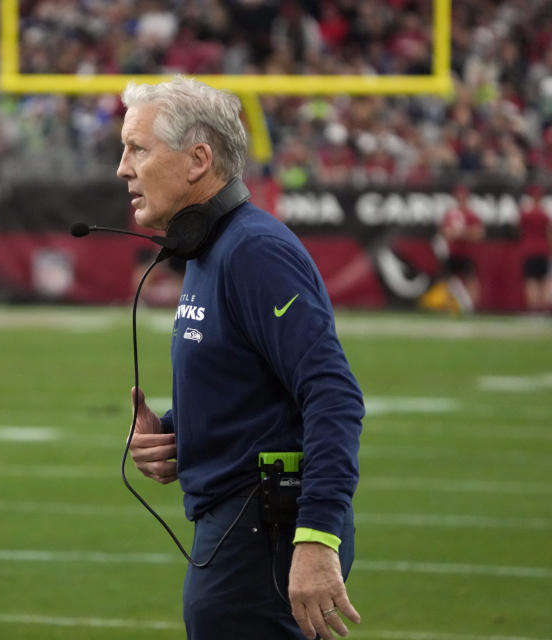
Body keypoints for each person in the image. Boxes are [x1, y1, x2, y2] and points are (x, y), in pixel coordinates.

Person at [118, 76, 363, 640]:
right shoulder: (212, 248)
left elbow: (333, 393)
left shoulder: (252, 249)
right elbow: (255, 391)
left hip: (265, 530)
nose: (122, 168)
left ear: (198, 159)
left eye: (138, 149)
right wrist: (178, 435)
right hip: (239, 527)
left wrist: (317, 538)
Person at [438, 184, 485, 311]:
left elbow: (479, 234)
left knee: (471, 280)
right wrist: (459, 234)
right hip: (453, 252)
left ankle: (473, 307)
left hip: (467, 252)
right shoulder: (450, 213)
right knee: (449, 281)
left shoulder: (471, 214)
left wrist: (462, 233)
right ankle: (449, 306)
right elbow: (444, 232)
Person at [517, 184, 551, 311]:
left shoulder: (525, 214)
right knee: (543, 282)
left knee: (531, 282)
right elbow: (549, 233)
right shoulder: (545, 215)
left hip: (529, 250)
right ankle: (544, 310)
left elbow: (519, 230)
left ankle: (533, 310)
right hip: (543, 250)